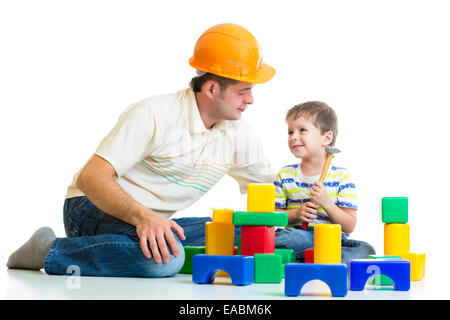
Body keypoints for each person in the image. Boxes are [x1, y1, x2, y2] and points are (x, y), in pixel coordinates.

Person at [7, 23, 276, 277]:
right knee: (166, 260)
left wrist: (308, 200)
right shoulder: (154, 114)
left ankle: (138, 243)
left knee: (261, 234)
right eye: (244, 91)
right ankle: (48, 250)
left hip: (148, 221)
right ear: (212, 88)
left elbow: (271, 192)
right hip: (90, 207)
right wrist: (143, 216)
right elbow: (91, 178)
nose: (250, 100)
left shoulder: (239, 135)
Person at [273, 101, 375, 265]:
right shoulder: (285, 175)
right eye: (290, 132)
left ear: (326, 138)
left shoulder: (342, 178)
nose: (293, 137)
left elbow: (349, 226)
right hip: (299, 235)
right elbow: (274, 217)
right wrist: (296, 214)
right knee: (290, 238)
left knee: (366, 250)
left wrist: (326, 203)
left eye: (302, 130)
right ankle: (316, 259)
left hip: (333, 240)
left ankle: (309, 260)